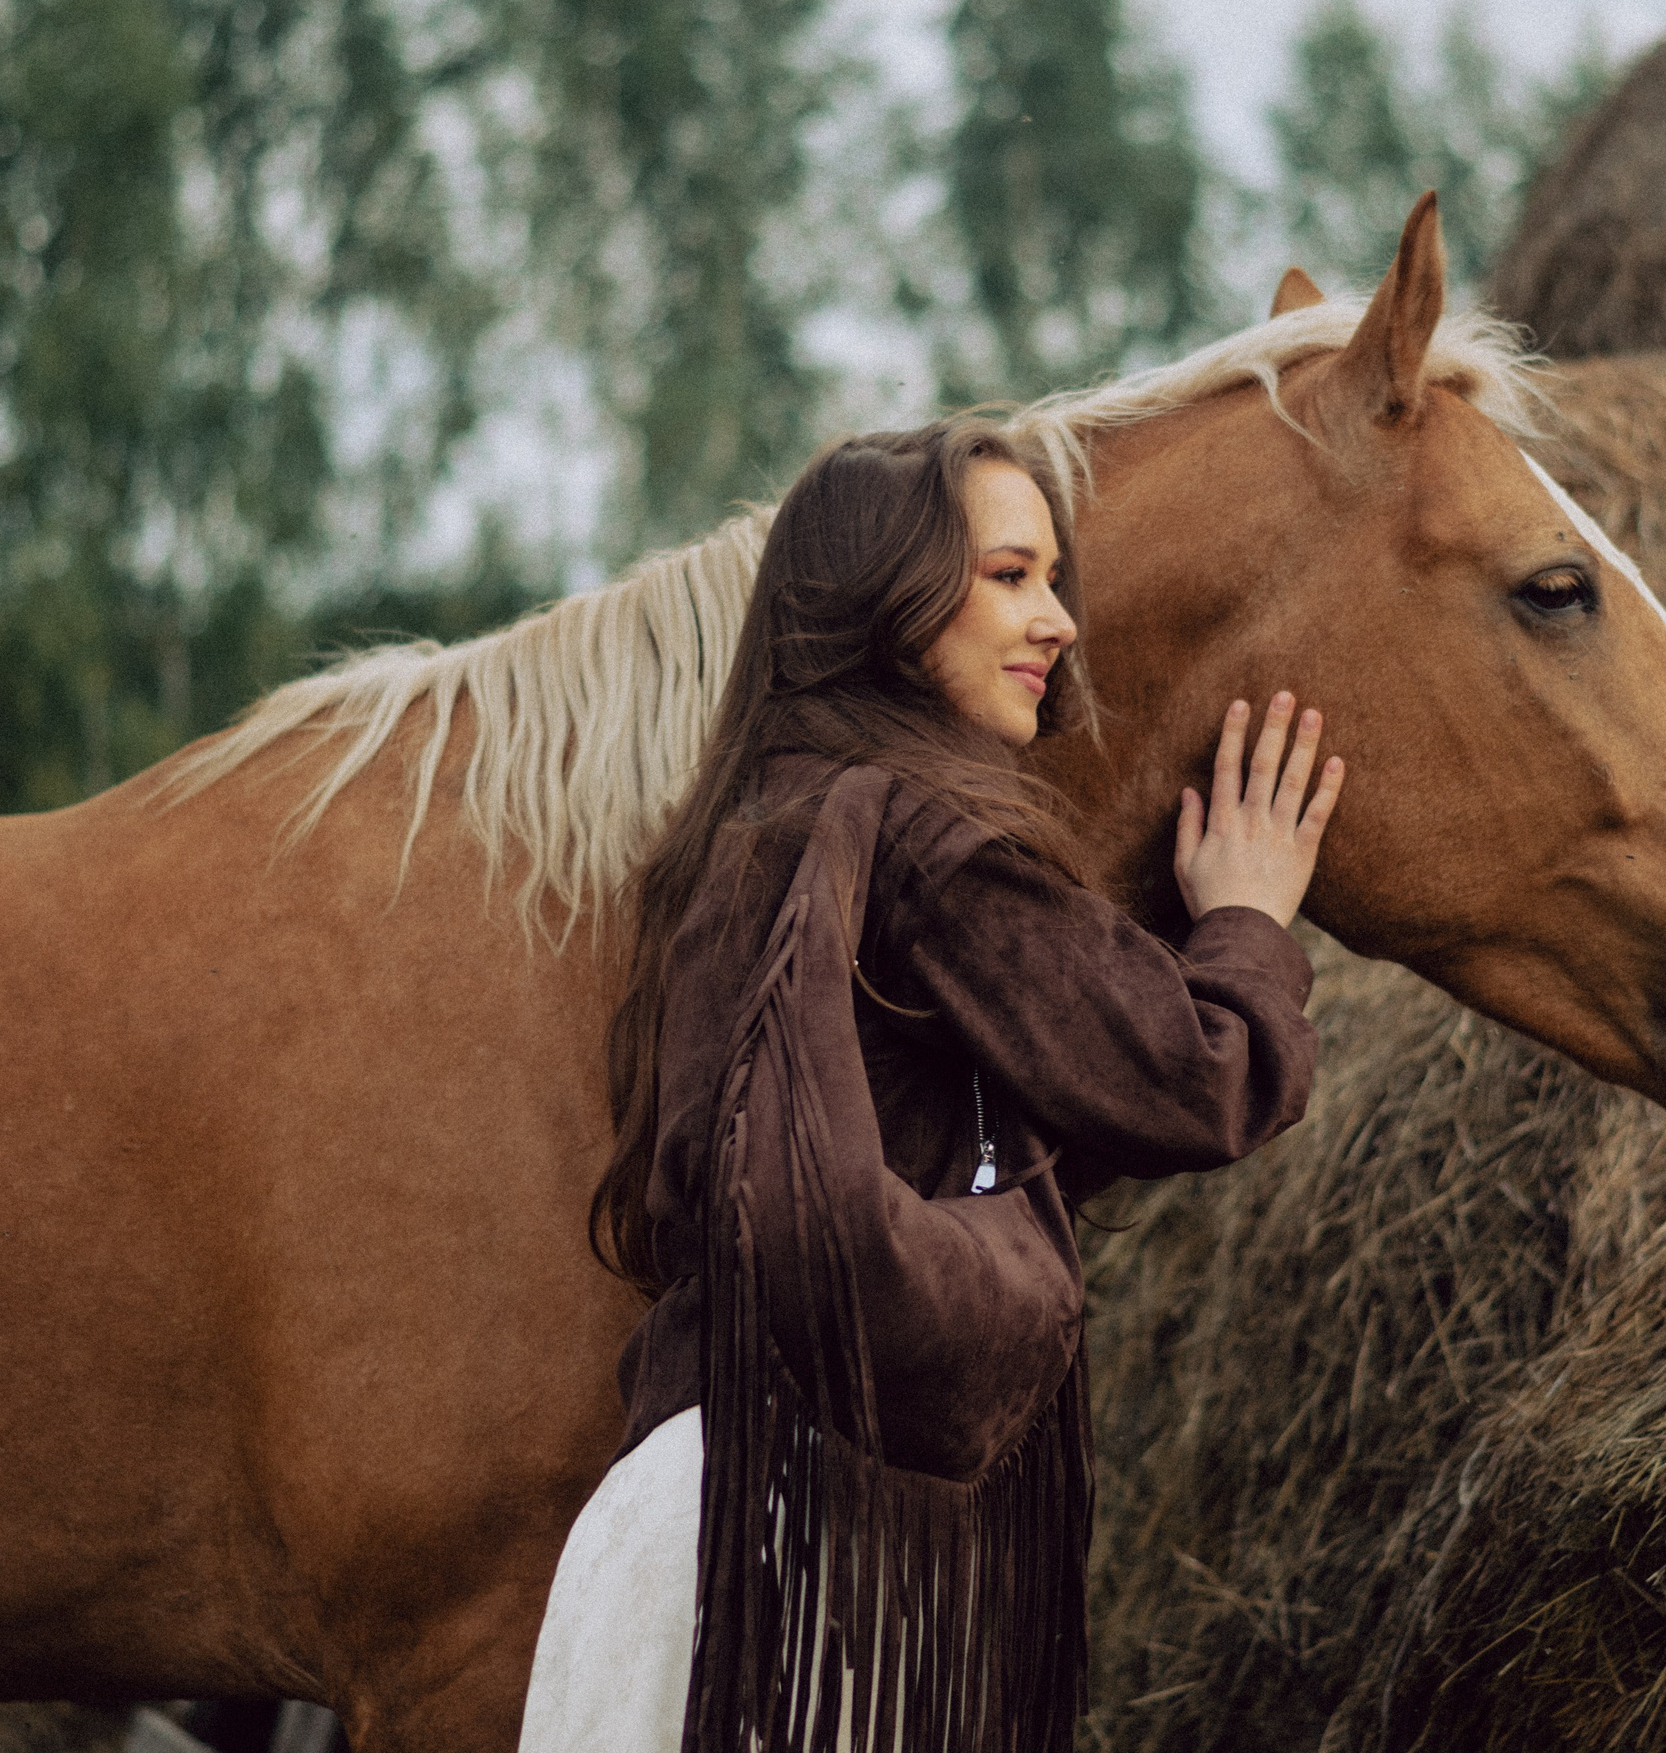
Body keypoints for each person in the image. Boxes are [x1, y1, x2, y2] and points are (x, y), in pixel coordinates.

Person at [521, 420, 1341, 1753]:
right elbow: (1199, 1080)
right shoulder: (924, 836)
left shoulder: (731, 843)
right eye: (1012, 575)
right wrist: (1247, 922)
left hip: (658, 1524)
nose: (1059, 620)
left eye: (1053, 576)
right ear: (890, 608)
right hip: (820, 1546)